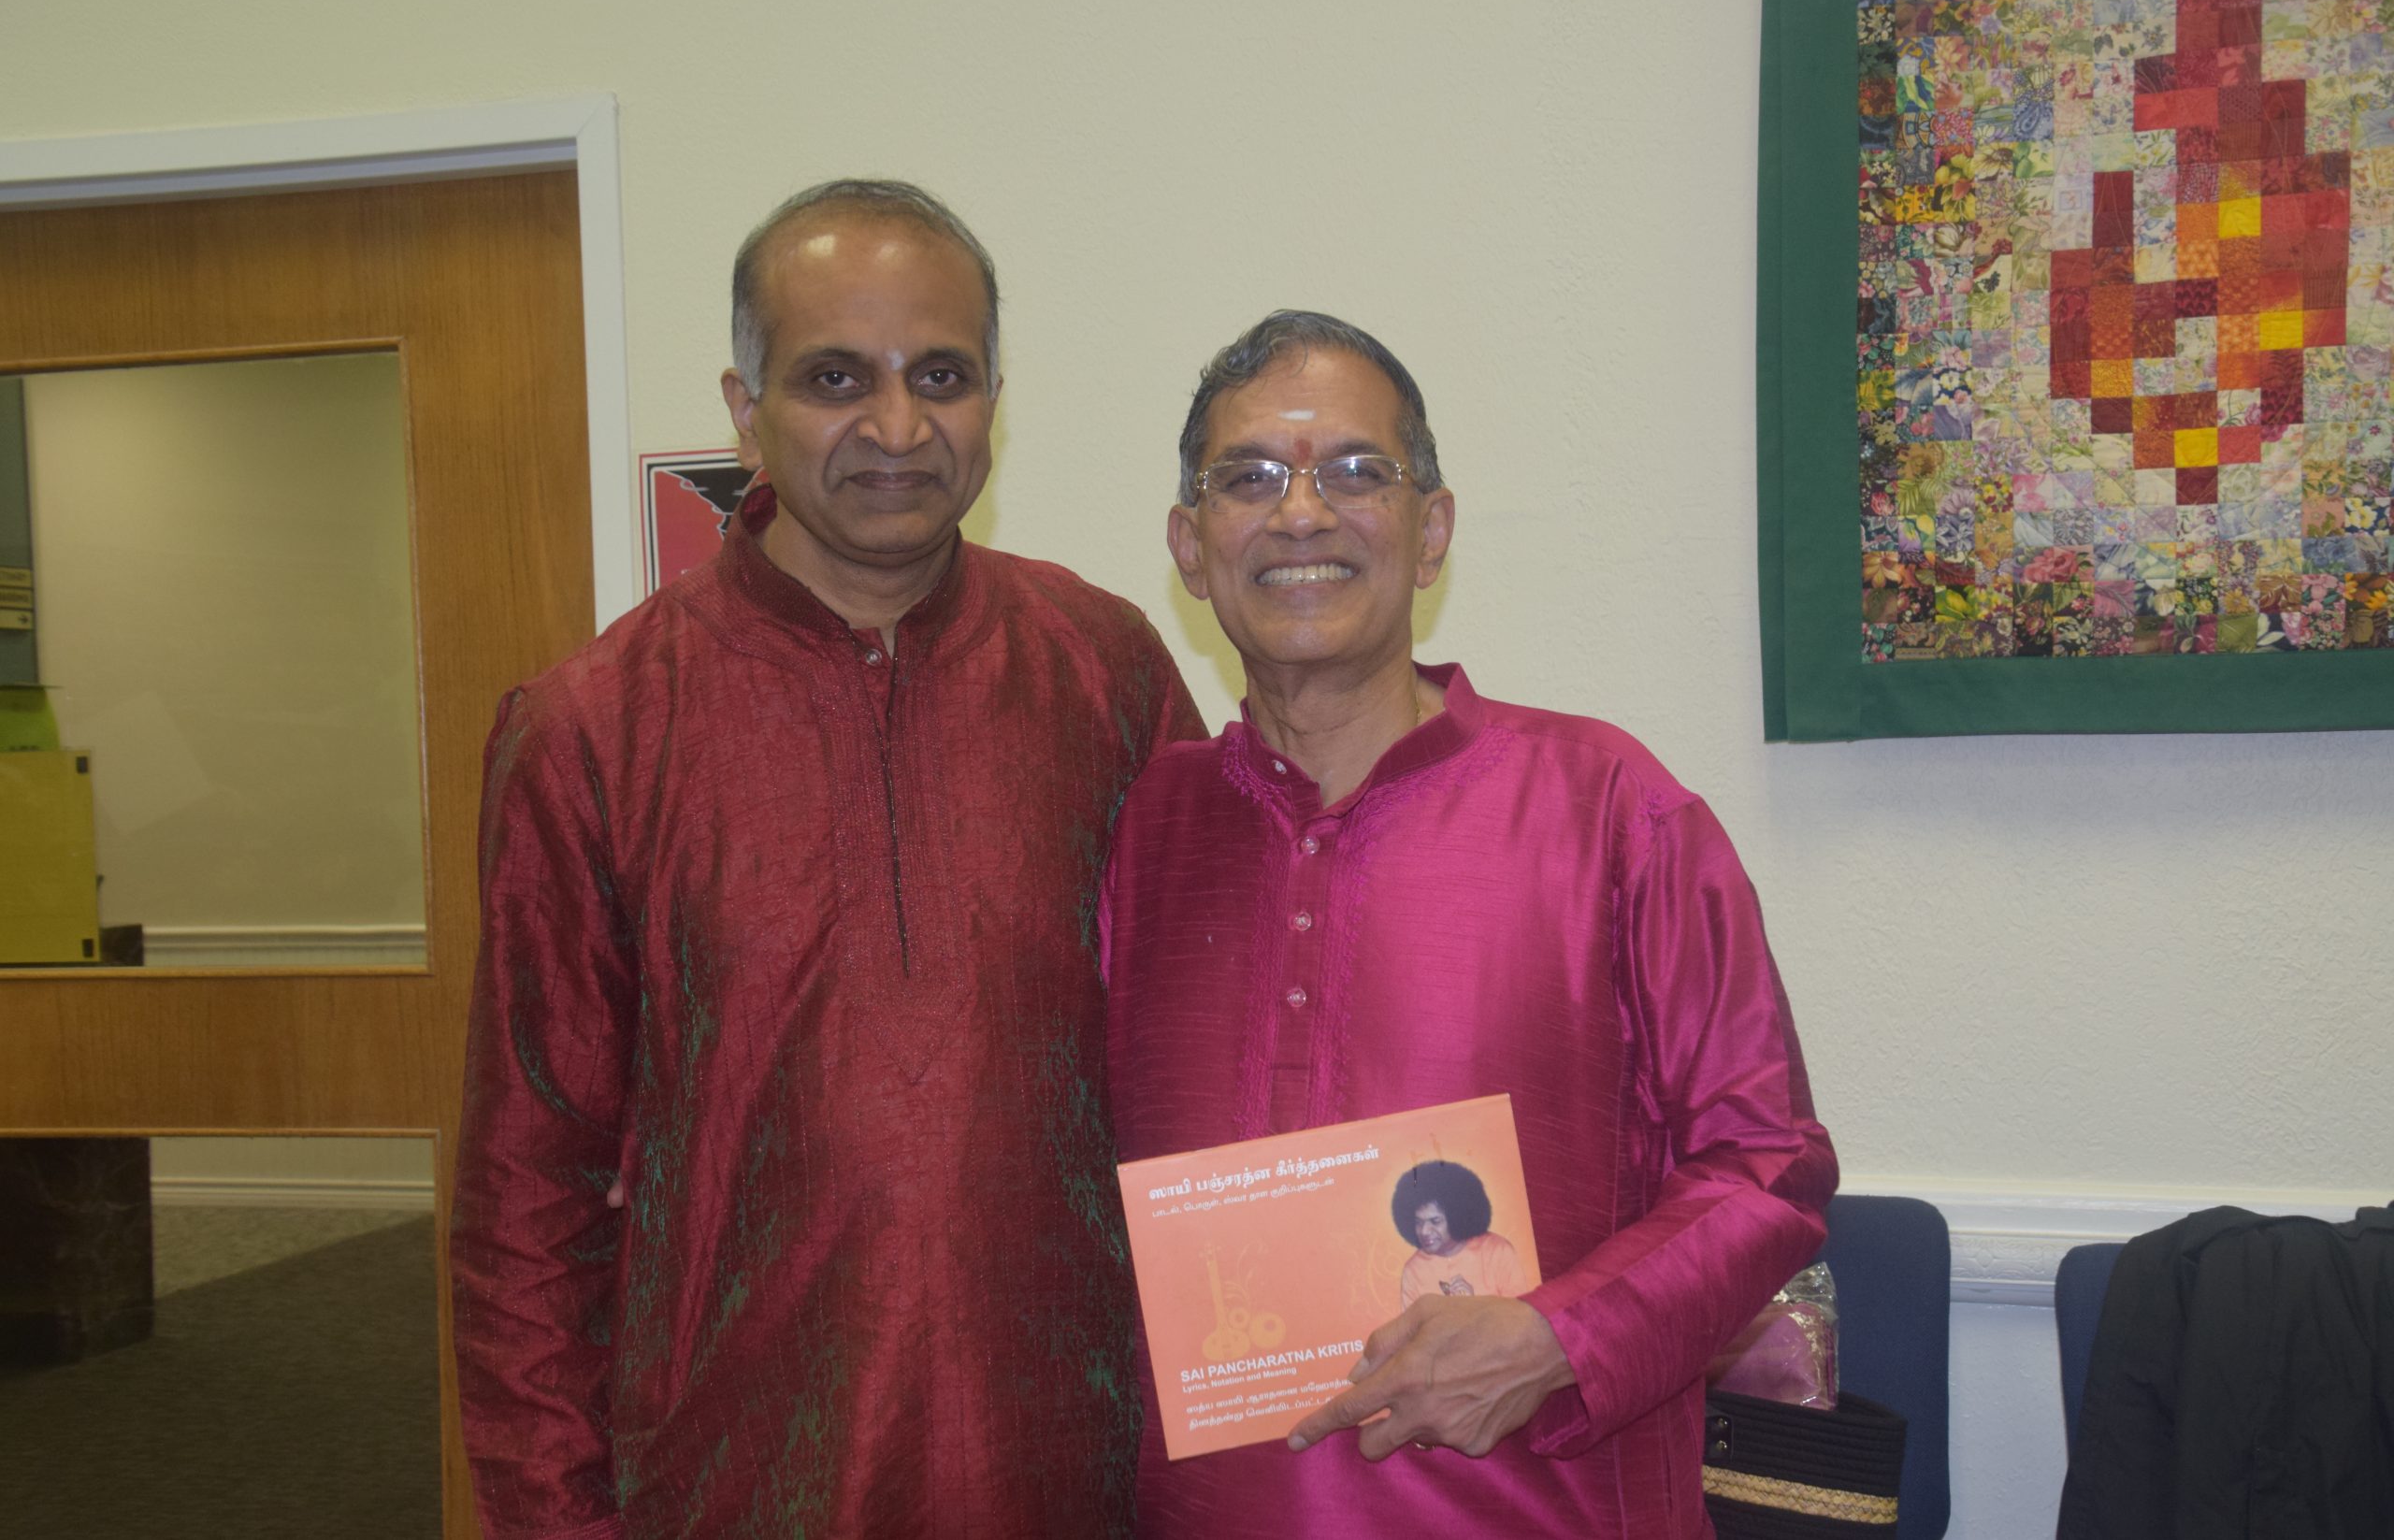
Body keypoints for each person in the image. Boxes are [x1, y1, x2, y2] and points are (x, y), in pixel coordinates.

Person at [450, 180, 1203, 1540]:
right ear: (746, 408)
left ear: (995, 399)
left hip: (1077, 1471)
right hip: (732, 1484)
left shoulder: (1106, 672)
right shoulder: (594, 729)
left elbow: (1219, 1057)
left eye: (942, 376)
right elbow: (526, 1200)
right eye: (836, 377)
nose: (898, 427)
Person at [1103, 309, 1837, 1536]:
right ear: (1190, 544)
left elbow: (1770, 1167)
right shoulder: (1146, 830)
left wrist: (1560, 1337)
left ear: (1431, 529)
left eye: (1355, 471)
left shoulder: (1609, 806)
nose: (1300, 513)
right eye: (1249, 478)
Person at [1392, 1161, 1531, 1307]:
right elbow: (1414, 1323)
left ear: (1457, 1217)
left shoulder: (1498, 1252)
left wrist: (1473, 1306)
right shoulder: (1413, 1271)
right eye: (1419, 1222)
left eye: (1435, 1221)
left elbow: (1520, 1316)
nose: (1424, 1231)